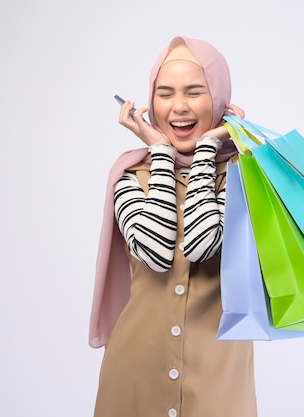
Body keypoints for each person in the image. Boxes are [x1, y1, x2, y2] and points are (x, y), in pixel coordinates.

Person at [89, 36, 257, 417]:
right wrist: (162, 153)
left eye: (195, 92)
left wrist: (207, 151)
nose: (179, 107)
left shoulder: (247, 177)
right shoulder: (130, 176)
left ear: (219, 99)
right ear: (151, 103)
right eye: (165, 94)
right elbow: (157, 253)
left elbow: (202, 245)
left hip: (218, 376)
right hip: (134, 375)